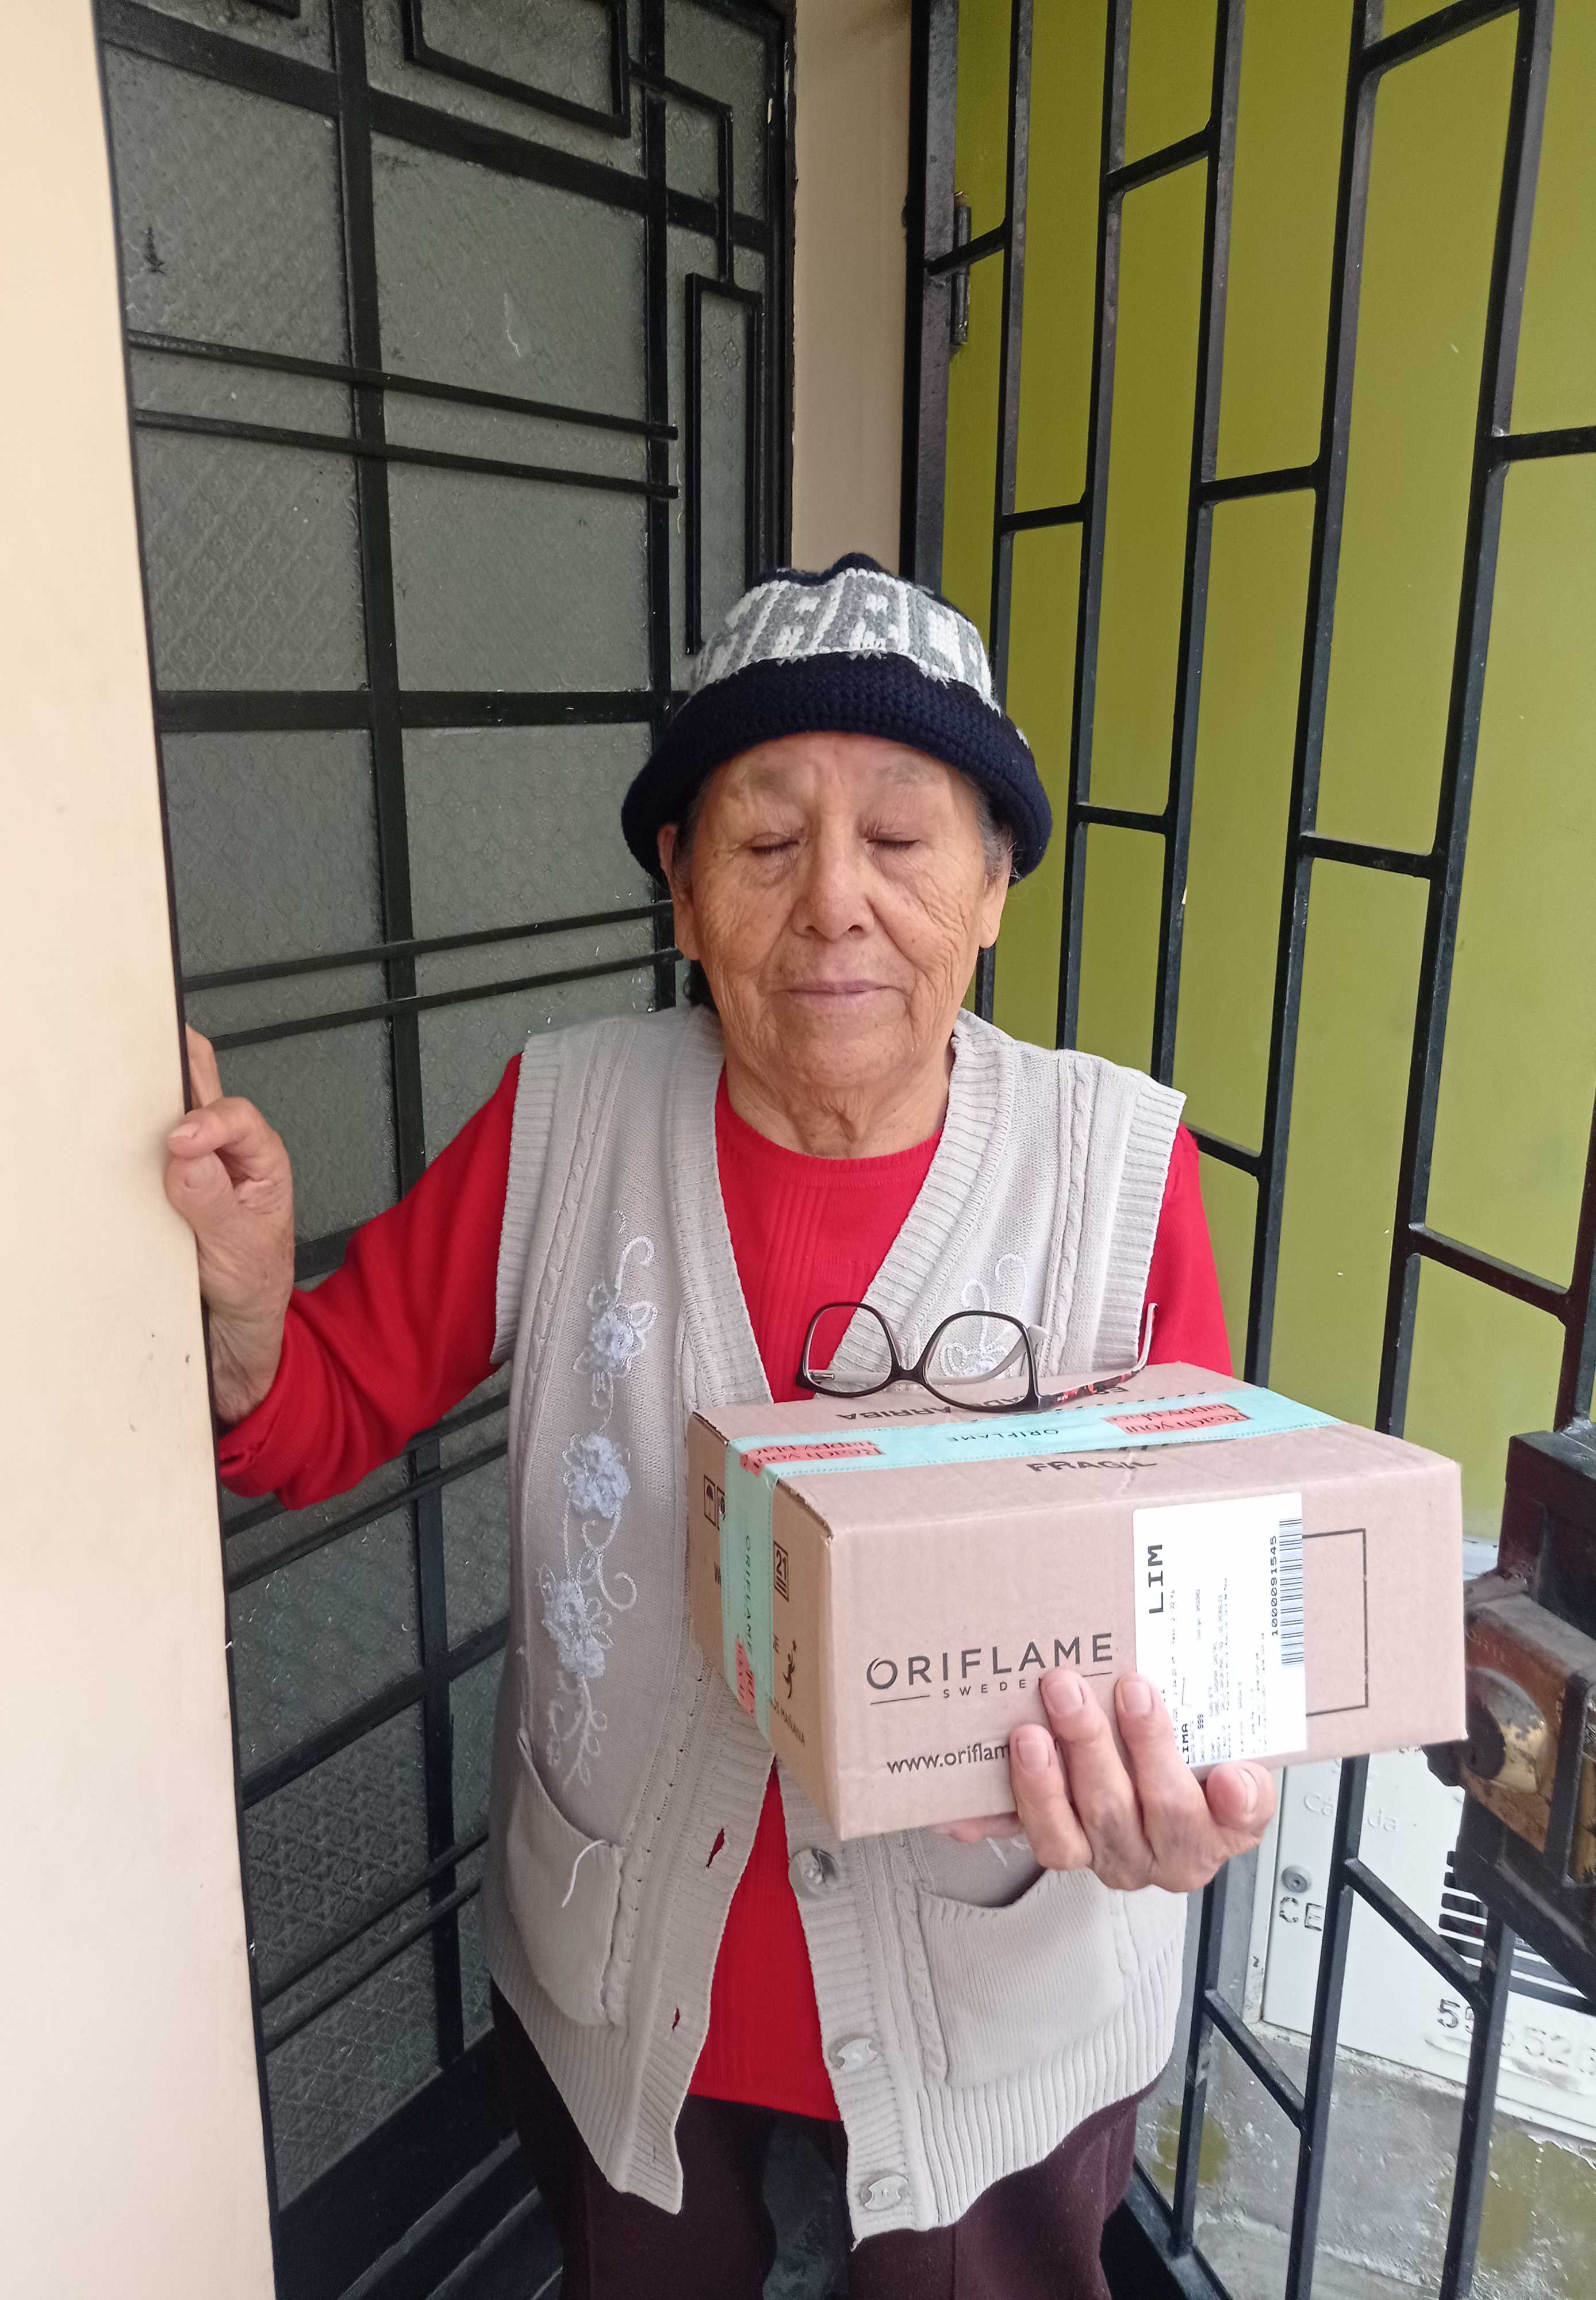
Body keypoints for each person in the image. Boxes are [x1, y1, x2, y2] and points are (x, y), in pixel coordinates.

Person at [166, 556, 1276, 2299]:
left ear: (994, 884)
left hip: (998, 1990)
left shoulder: (1119, 1169)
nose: (834, 902)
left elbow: (1208, 1626)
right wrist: (244, 1315)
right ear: (683, 889)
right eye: (765, 841)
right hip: (632, 1983)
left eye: (899, 838)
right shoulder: (567, 1120)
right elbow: (322, 1410)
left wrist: (1197, 1791)